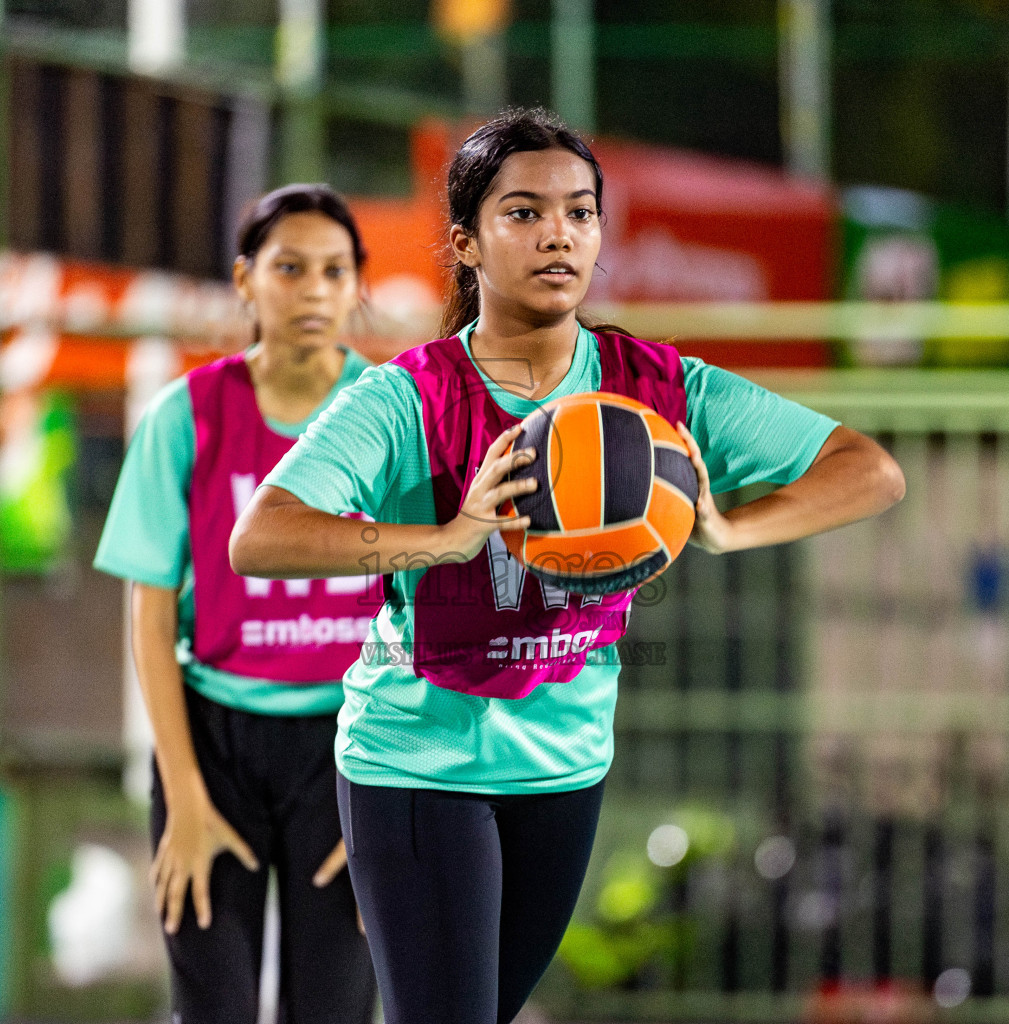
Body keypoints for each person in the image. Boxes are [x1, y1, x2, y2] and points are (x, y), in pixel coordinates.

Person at [229, 108, 905, 1024]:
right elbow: (262, 534)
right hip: (421, 763)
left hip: (567, 767)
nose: (559, 233)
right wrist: (444, 539)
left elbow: (869, 471)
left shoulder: (653, 390)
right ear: (466, 243)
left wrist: (729, 528)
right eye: (524, 213)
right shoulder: (409, 398)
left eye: (581, 212)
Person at [94, 184, 379, 1024]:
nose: (315, 291)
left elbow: (429, 608)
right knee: (211, 1007)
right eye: (290, 268)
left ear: (358, 286)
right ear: (246, 281)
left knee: (332, 1008)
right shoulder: (186, 416)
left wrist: (394, 794)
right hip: (213, 745)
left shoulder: (396, 413)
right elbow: (149, 616)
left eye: (335, 271)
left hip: (352, 753)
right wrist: (183, 794)